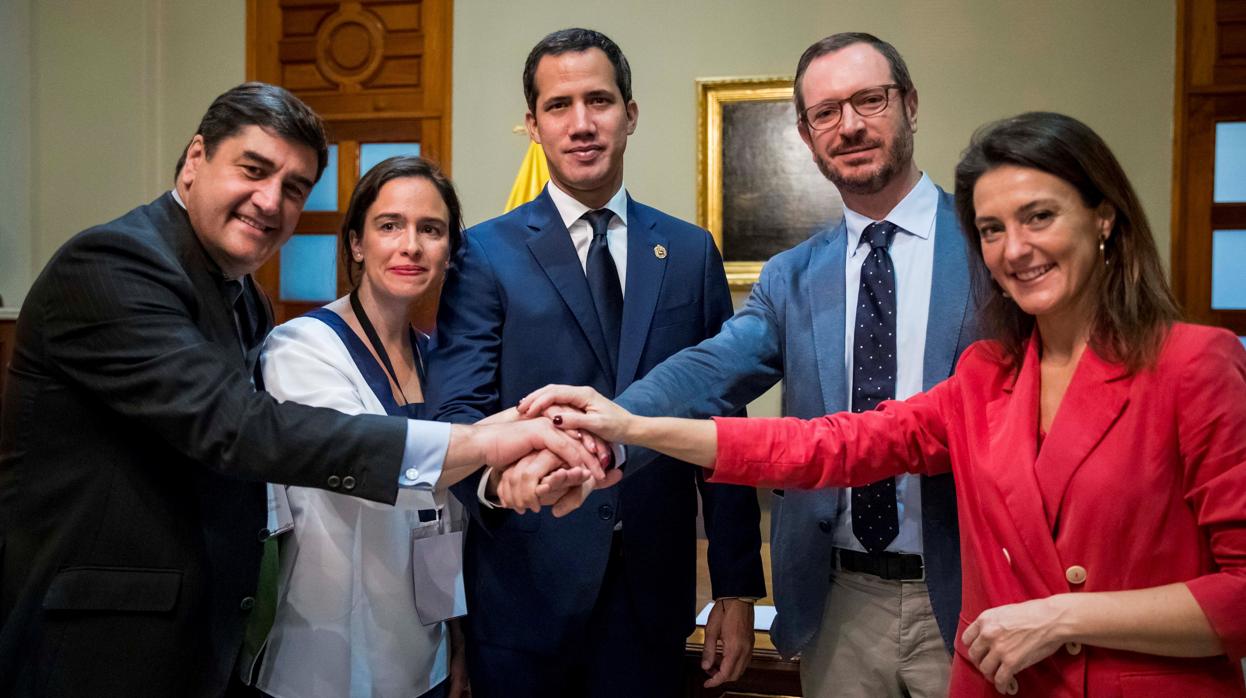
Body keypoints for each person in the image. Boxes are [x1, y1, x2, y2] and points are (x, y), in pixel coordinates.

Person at [523, 111, 1246, 697]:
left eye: (1040, 217)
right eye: (992, 230)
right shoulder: (986, 376)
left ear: (1105, 219)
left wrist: (1062, 617)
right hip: (934, 647)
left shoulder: (1194, 365)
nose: (1014, 249)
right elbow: (824, 445)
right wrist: (626, 426)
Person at [0, 83, 601, 697]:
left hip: (216, 628)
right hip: (103, 638)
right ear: (194, 160)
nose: (270, 201)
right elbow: (242, 429)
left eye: (294, 188)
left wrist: (508, 452)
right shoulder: (115, 263)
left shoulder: (244, 300)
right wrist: (486, 444)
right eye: (253, 170)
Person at [531, 32, 974, 697]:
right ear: (804, 132)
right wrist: (611, 429)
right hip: (839, 604)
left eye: (869, 101)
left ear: (909, 104)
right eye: (826, 112)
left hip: (974, 591)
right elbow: (710, 370)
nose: (849, 125)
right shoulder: (795, 275)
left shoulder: (989, 247)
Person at [426, 28, 765, 697]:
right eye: (558, 106)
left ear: (631, 113)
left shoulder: (690, 253)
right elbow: (455, 416)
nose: (581, 124)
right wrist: (498, 486)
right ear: (532, 125)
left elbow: (721, 419)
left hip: (653, 601)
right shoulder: (484, 255)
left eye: (599, 101)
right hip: (523, 597)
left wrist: (735, 583)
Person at [254, 157, 471, 697]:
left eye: (431, 229)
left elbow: (446, 514)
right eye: (390, 225)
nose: (411, 246)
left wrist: (459, 636)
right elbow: (371, 457)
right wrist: (498, 438)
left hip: (427, 650)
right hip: (325, 650)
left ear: (450, 251)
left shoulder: (439, 360)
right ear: (356, 243)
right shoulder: (302, 347)